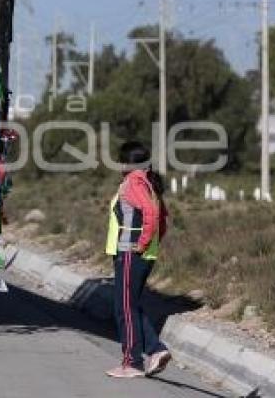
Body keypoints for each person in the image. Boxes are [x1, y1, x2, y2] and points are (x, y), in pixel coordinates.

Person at [105, 141, 172, 379]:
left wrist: (141, 243)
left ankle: (132, 361)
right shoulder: (149, 182)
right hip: (142, 254)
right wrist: (151, 243)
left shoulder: (134, 181)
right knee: (130, 305)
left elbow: (152, 215)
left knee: (124, 308)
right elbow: (162, 218)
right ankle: (155, 350)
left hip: (131, 253)